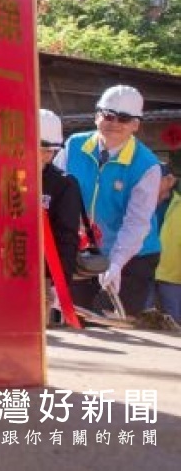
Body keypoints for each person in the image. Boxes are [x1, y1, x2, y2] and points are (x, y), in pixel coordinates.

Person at [56, 85, 162, 317]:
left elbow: (137, 222)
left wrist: (116, 263)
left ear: (136, 124)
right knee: (77, 315)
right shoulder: (74, 146)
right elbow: (55, 193)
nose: (114, 123)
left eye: (124, 118)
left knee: (121, 321)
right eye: (108, 115)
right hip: (84, 249)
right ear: (96, 116)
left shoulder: (146, 165)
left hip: (135, 255)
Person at [38, 109, 82, 325]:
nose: (45, 155)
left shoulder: (63, 184)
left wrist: (61, 282)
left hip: (42, 276)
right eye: (40, 148)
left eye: (51, 150)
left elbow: (67, 236)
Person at [152, 165, 180, 321]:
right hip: (144, 272)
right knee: (141, 320)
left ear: (170, 180)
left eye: (158, 178)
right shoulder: (141, 201)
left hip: (172, 276)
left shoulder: (180, 206)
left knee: (175, 322)